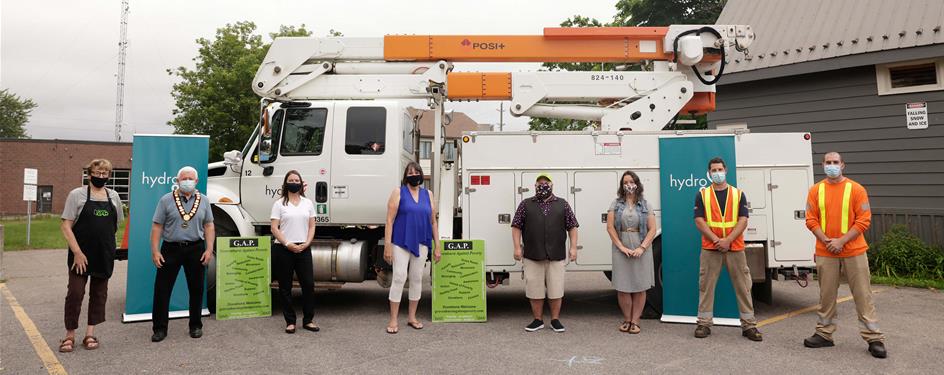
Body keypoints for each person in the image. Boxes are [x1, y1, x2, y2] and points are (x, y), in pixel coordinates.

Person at [803, 152, 886, 358]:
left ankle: (874, 338)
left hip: (854, 250)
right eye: (828, 162)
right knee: (826, 295)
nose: (832, 166)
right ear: (822, 165)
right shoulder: (816, 190)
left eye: (835, 162)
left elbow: (863, 220)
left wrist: (840, 241)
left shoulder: (856, 189)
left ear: (843, 165)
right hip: (826, 251)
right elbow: (810, 219)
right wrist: (827, 241)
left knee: (863, 294)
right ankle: (824, 334)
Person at [693, 157, 762, 341]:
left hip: (735, 248)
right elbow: (699, 221)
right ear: (709, 173)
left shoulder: (738, 194)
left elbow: (743, 219)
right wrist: (717, 240)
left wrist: (728, 240)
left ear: (726, 170)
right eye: (713, 170)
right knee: (706, 287)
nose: (717, 173)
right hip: (710, 247)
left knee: (744, 287)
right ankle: (704, 324)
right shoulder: (702, 195)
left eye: (719, 169)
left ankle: (749, 326)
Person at [58, 159, 124, 352]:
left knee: (99, 294)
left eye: (105, 173)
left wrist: (109, 248)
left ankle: (90, 333)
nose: (101, 176)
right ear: (89, 175)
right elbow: (66, 226)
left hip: (103, 254)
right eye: (98, 173)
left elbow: (115, 225)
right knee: (75, 293)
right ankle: (69, 336)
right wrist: (77, 252)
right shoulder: (76, 195)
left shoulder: (114, 196)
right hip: (80, 256)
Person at [150, 166, 215, 342]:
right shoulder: (165, 200)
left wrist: (209, 249)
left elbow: (209, 225)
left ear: (196, 181)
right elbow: (157, 226)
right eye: (184, 178)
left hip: (196, 248)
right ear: (177, 181)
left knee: (196, 289)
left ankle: (195, 325)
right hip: (170, 248)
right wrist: (155, 250)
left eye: (190, 178)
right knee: (162, 289)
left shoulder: (204, 201)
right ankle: (160, 328)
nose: (187, 181)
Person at [511, 174, 579, 333]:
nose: (543, 185)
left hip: (556, 254)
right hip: (532, 255)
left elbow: (572, 227)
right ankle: (537, 320)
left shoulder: (562, 204)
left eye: (546, 182)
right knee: (534, 289)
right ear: (535, 185)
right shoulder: (525, 204)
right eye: (540, 183)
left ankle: (555, 320)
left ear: (552, 185)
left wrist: (573, 247)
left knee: (556, 289)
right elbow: (516, 227)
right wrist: (517, 247)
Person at [384, 162, 441, 334]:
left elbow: (433, 221)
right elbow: (389, 220)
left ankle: (412, 317)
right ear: (405, 176)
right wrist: (387, 245)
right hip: (401, 241)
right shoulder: (398, 192)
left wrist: (437, 245)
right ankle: (393, 319)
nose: (413, 174)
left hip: (422, 242)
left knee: (417, 278)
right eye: (410, 172)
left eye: (416, 171)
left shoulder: (428, 194)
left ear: (421, 174)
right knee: (400, 277)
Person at [606, 171, 656, 334]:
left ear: (637, 183)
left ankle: (636, 321)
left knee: (640, 286)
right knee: (623, 286)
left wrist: (642, 247)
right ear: (622, 185)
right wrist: (621, 247)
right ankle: (627, 319)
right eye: (625, 182)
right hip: (621, 248)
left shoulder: (646, 204)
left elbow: (652, 229)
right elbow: (610, 227)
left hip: (641, 248)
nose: (629, 184)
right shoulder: (615, 204)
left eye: (632, 181)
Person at [270, 170, 319, 334]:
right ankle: (290, 322)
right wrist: (288, 244)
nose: (294, 182)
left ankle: (308, 320)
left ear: (301, 183)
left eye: (297, 180)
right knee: (285, 287)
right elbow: (274, 228)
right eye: (291, 180)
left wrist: (307, 243)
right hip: (284, 248)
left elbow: (312, 226)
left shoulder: (308, 203)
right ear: (286, 183)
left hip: (303, 248)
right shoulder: (279, 204)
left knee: (308, 284)